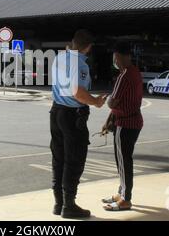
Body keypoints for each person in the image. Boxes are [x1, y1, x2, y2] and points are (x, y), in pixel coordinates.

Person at [50, 29, 107, 219]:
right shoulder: (80, 64)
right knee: (74, 161)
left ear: (73, 42)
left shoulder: (60, 58)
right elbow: (78, 92)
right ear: (88, 47)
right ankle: (69, 205)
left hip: (56, 111)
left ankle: (59, 203)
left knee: (59, 160)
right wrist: (96, 101)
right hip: (72, 117)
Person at [102, 42, 144, 212]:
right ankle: (122, 192)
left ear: (118, 57)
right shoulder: (136, 72)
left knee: (123, 161)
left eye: (115, 58)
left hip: (125, 124)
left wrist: (106, 100)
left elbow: (113, 101)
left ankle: (125, 199)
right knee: (124, 160)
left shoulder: (124, 76)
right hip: (134, 121)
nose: (115, 61)